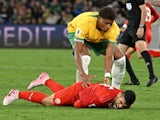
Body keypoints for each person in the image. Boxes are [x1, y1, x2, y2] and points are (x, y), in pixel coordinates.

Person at [3, 72, 136, 109]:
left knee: (60, 93)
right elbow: (80, 103)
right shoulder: (102, 98)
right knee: (50, 101)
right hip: (78, 92)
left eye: (123, 105)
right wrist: (77, 104)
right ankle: (17, 93)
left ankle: (45, 79)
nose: (120, 105)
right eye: (121, 102)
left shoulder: (118, 93)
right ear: (120, 94)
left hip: (84, 88)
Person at [67, 6, 126, 89]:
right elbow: (77, 52)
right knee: (85, 57)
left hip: (98, 36)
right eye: (106, 23)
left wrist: (107, 75)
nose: (108, 26)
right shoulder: (85, 22)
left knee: (121, 59)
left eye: (110, 23)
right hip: (76, 31)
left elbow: (110, 53)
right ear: (99, 18)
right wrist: (83, 74)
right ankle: (79, 91)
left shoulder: (114, 29)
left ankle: (115, 91)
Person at [117, 0, 158, 86]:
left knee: (142, 52)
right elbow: (126, 11)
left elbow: (143, 10)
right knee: (119, 54)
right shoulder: (121, 1)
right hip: (129, 28)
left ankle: (152, 76)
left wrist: (141, 26)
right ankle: (134, 79)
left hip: (137, 27)